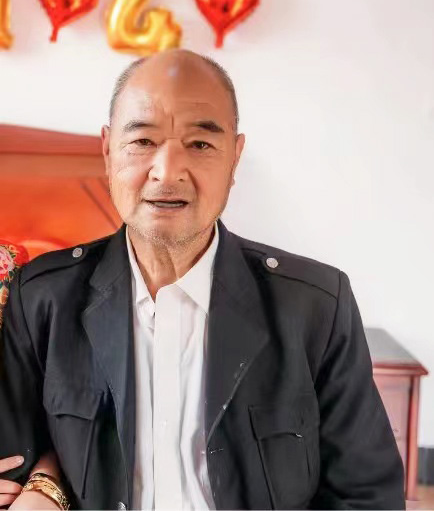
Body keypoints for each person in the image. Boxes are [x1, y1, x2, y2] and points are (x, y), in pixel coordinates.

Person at [0, 49, 404, 510]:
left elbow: (368, 497)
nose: (167, 171)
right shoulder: (42, 298)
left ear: (235, 157)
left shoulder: (316, 307)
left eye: (200, 144)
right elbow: (13, 468)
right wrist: (44, 485)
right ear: (108, 151)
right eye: (143, 141)